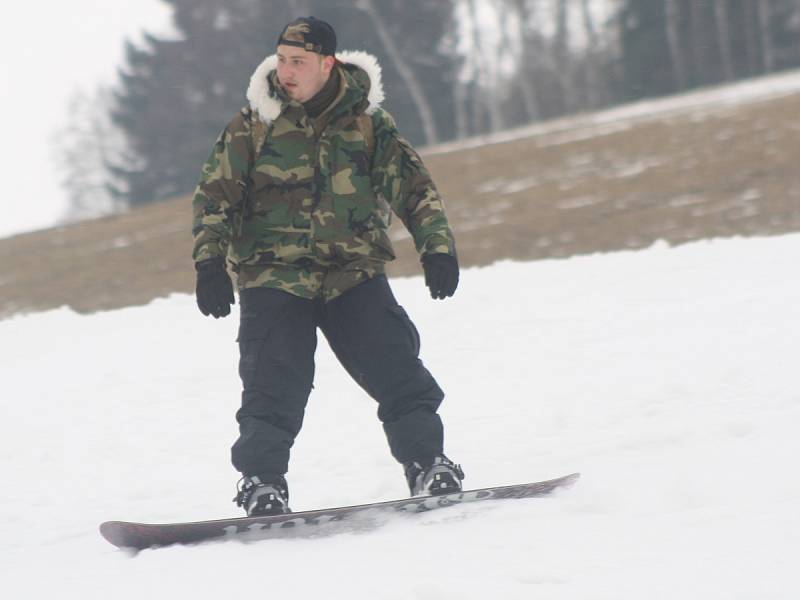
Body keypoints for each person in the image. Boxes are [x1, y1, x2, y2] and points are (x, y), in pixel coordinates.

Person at [191, 17, 463, 517]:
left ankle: (428, 464)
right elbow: (215, 198)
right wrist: (209, 263)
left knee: (396, 367)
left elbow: (413, 187)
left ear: (326, 64)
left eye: (298, 61)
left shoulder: (366, 123)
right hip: (274, 275)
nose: (287, 71)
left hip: (352, 271)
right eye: (282, 59)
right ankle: (262, 483)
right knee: (273, 382)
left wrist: (437, 248)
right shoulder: (253, 124)